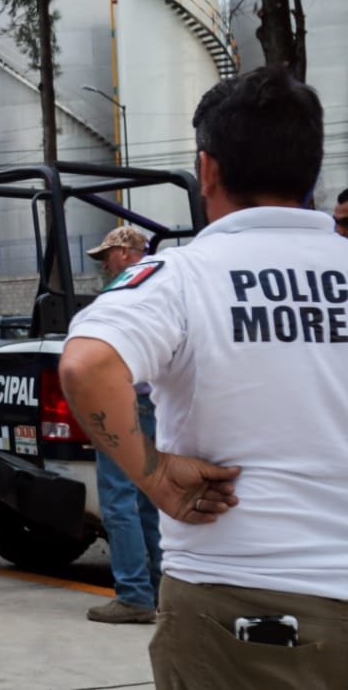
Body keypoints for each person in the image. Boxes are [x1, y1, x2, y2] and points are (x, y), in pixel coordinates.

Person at [60, 66, 348, 687]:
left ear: (207, 169)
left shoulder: (182, 277)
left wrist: (156, 474)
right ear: (313, 172)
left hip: (244, 603)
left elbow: (87, 363)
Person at [82, 226, 162, 625]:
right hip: (155, 401)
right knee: (149, 501)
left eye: (107, 256)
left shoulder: (125, 292)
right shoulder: (164, 285)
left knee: (118, 501)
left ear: (128, 253)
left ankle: (133, 594)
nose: (103, 265)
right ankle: (160, 588)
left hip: (123, 402)